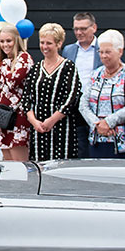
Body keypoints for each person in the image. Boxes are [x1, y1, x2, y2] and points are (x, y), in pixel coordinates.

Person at [79, 29, 125, 159]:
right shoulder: (96, 74)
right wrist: (97, 124)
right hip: (97, 140)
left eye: (108, 52)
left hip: (124, 143)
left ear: (120, 51)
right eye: (101, 52)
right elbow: (83, 104)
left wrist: (108, 122)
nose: (103, 56)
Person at [23, 23, 82, 162]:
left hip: (61, 128)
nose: (44, 47)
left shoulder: (68, 67)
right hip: (38, 130)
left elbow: (71, 98)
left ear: (59, 43)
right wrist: (34, 121)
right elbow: (26, 99)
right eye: (42, 42)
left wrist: (51, 120)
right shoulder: (36, 68)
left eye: (49, 43)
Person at [62, 12, 98, 158]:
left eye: (83, 29)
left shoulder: (101, 49)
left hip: (96, 104)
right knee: (79, 144)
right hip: (75, 105)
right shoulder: (69, 50)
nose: (79, 32)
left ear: (94, 28)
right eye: (76, 29)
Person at [0, 23, 33, 161]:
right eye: (2, 41)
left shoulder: (24, 58)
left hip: (18, 117)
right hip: (4, 117)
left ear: (16, 40)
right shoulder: (5, 61)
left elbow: (13, 82)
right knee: (8, 164)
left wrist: (4, 67)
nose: (5, 45)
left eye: (9, 41)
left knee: (20, 164)